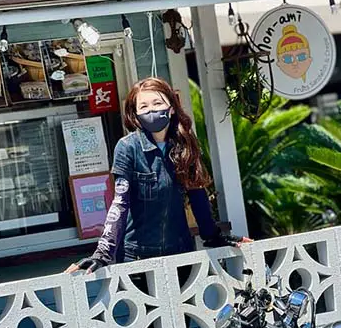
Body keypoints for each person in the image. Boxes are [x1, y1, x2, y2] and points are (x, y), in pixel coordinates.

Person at [65, 77, 247, 274]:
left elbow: (198, 196)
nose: (151, 110)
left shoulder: (185, 145)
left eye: (157, 103)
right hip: (136, 257)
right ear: (136, 114)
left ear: (171, 108)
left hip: (180, 253)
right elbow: (120, 202)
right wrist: (103, 253)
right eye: (143, 106)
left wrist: (213, 236)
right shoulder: (128, 147)